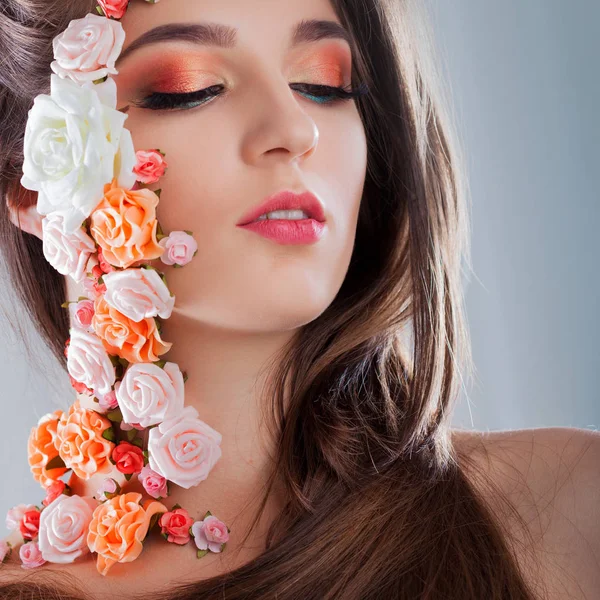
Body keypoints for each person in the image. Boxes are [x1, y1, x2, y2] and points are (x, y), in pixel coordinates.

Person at [0, 0, 598, 598]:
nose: (294, 129)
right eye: (188, 88)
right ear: (29, 184)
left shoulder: (567, 511)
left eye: (324, 84)